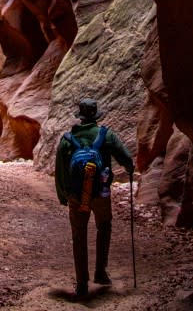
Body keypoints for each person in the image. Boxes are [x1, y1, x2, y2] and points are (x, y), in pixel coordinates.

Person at [55, 98, 134, 298]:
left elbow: (60, 172)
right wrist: (130, 169)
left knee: (79, 235)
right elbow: (126, 158)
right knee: (104, 226)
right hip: (101, 193)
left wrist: (64, 196)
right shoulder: (106, 135)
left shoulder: (67, 139)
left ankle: (82, 283)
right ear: (96, 115)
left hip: (75, 195)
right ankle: (100, 272)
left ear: (80, 117)